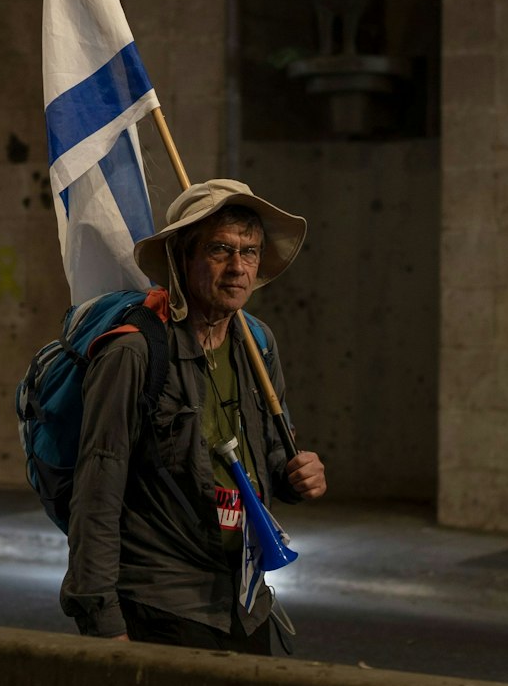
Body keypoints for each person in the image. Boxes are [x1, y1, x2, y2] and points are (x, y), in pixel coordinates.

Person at [60, 179, 329, 652]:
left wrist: (295, 476)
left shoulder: (257, 344)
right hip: (162, 605)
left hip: (245, 601)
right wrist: (102, 618)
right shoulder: (135, 352)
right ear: (182, 258)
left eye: (250, 251)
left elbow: (269, 458)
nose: (238, 267)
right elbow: (97, 491)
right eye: (219, 250)